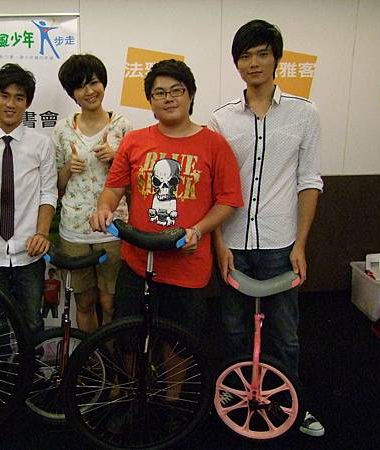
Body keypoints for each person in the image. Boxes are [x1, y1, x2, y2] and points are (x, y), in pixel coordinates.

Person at [90, 59, 243, 400]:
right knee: (128, 336)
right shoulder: (134, 141)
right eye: (159, 92)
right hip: (136, 260)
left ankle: (171, 402)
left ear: (191, 95)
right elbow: (114, 188)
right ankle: (134, 394)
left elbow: (229, 201)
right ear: (150, 100)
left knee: (179, 341)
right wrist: (104, 207)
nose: (169, 98)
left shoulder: (214, 144)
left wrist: (198, 230)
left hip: (187, 266)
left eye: (177, 90)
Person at [208, 19, 325, 437]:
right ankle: (235, 392)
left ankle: (291, 402)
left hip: (280, 243)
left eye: (262, 54)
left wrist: (301, 244)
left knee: (285, 332)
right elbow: (214, 190)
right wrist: (218, 243)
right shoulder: (221, 119)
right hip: (233, 242)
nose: (253, 63)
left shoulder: (304, 113)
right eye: (245, 56)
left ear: (277, 58)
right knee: (233, 327)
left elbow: (309, 181)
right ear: (236, 63)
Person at [0, 64, 57, 346]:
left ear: (27, 103)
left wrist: (41, 234)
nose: (11, 104)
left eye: (19, 97)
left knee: (32, 321)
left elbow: (48, 194)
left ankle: (33, 370)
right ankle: (1, 371)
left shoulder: (42, 145)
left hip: (29, 251)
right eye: (5, 96)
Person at [53, 54, 131, 333]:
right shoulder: (62, 129)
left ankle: (111, 356)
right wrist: (68, 169)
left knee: (110, 303)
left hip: (114, 227)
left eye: (94, 82)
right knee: (84, 303)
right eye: (80, 86)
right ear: (72, 93)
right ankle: (92, 357)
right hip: (74, 229)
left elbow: (137, 183)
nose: (89, 91)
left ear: (104, 84)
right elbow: (57, 185)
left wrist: (116, 159)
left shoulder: (123, 126)